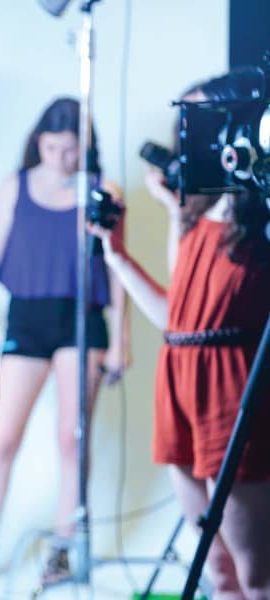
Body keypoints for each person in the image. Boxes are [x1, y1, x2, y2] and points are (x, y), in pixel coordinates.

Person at [89, 76, 270, 598]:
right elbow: (180, 318)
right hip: (181, 386)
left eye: (201, 125)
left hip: (234, 392)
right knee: (218, 571)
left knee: (258, 574)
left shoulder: (258, 212)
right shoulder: (191, 212)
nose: (187, 138)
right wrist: (116, 253)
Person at [0, 97, 129, 583]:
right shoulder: (17, 187)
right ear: (39, 143)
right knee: (2, 439)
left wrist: (122, 342)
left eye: (71, 150)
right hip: (28, 320)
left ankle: (63, 552)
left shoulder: (103, 191)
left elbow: (118, 272)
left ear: (85, 148)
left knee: (72, 442)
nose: (60, 158)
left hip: (82, 322)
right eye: (52, 147)